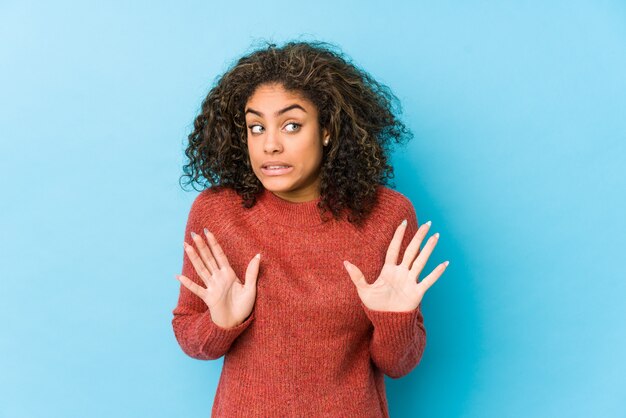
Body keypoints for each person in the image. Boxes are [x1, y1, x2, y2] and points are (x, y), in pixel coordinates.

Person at [171, 40, 449, 417]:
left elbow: (398, 365)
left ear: (328, 130)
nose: (270, 144)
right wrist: (220, 323)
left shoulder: (386, 216)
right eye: (256, 127)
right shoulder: (217, 213)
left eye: (291, 125)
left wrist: (394, 319)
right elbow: (189, 334)